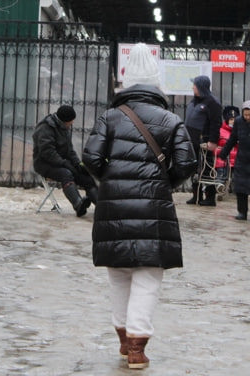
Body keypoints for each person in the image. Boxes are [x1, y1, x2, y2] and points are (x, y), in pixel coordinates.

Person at [82, 42, 197, 370]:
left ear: (126, 80)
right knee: (147, 274)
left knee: (118, 272)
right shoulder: (170, 119)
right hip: (154, 209)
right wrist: (165, 183)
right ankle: (137, 348)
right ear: (155, 81)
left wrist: (113, 179)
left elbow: (90, 157)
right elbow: (188, 163)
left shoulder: (110, 117)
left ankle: (124, 341)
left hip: (113, 208)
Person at [32, 104, 97, 217]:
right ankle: (78, 204)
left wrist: (78, 164)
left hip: (61, 162)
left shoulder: (64, 128)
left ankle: (101, 204)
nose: (72, 123)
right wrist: (65, 163)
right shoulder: (45, 128)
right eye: (70, 121)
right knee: (66, 174)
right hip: (44, 164)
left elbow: (70, 151)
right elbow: (48, 152)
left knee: (85, 176)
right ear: (63, 120)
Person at [184, 75, 222, 206]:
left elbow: (216, 123)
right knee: (193, 168)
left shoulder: (212, 102)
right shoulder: (195, 100)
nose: (192, 87)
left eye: (194, 85)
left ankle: (210, 197)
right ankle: (196, 195)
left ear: (201, 87)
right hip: (192, 139)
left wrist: (213, 141)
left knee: (206, 168)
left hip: (204, 141)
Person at [215, 106, 239, 191]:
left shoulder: (240, 130)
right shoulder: (220, 131)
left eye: (235, 119)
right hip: (223, 157)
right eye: (231, 119)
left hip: (236, 158)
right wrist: (220, 151)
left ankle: (236, 188)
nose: (233, 121)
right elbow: (215, 146)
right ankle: (220, 185)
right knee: (222, 167)